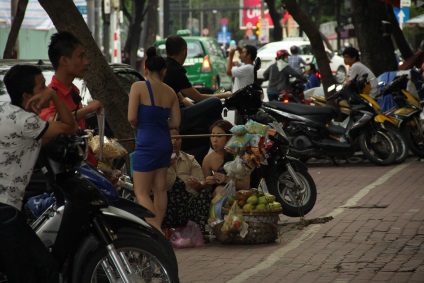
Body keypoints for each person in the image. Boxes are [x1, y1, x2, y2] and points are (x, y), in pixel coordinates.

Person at [0, 64, 78, 283]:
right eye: (42, 86)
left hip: (7, 206)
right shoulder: (26, 122)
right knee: (42, 269)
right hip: (4, 208)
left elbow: (39, 141)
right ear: (27, 95)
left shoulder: (7, 110)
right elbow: (69, 126)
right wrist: (53, 95)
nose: (46, 89)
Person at [128, 47, 181, 231]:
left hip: (147, 142)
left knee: (141, 191)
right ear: (164, 71)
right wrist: (159, 122)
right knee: (160, 190)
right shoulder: (171, 92)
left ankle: (155, 231)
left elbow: (131, 118)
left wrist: (146, 122)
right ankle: (158, 227)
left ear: (146, 69)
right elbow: (175, 122)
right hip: (164, 143)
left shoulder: (138, 87)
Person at [163, 35, 232, 164]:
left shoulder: (165, 68)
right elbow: (198, 97)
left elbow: (183, 99)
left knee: (206, 123)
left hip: (174, 114)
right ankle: (223, 137)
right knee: (214, 103)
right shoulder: (176, 70)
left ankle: (213, 136)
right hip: (177, 117)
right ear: (184, 51)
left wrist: (193, 107)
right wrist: (223, 95)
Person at [39, 31, 103, 166]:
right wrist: (88, 109)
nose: (86, 62)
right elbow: (54, 123)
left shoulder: (74, 91)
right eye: (80, 56)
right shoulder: (50, 95)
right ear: (64, 60)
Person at [163, 129, 211, 232]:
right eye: (170, 139)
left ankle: (201, 232)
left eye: (177, 139)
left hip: (188, 203)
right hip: (166, 203)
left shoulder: (190, 159)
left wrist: (197, 184)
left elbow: (202, 181)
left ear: (181, 140)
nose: (174, 142)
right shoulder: (157, 160)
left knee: (204, 194)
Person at [202, 120, 250, 197]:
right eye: (213, 135)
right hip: (218, 196)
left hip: (240, 196)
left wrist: (226, 180)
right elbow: (207, 189)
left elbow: (245, 186)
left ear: (229, 137)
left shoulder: (240, 155)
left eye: (219, 136)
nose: (214, 140)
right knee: (219, 190)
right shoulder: (208, 159)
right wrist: (209, 181)